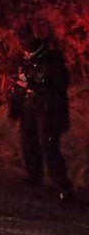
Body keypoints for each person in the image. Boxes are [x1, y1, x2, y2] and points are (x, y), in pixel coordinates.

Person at [10, 27, 74, 203]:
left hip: (48, 111)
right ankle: (34, 176)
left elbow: (57, 88)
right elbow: (20, 84)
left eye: (28, 52)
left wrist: (30, 85)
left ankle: (63, 187)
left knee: (49, 147)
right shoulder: (24, 61)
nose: (26, 55)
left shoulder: (53, 63)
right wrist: (15, 105)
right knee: (28, 142)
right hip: (29, 108)